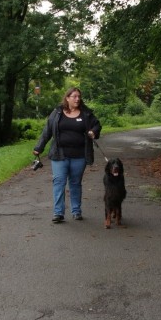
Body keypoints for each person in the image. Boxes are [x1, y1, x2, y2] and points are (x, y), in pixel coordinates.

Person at [33, 87, 102, 223]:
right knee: (59, 182)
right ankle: (58, 213)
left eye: (79, 96)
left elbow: (97, 125)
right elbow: (47, 131)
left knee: (75, 183)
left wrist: (93, 132)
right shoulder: (57, 112)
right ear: (67, 98)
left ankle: (76, 211)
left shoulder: (86, 113)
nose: (77, 99)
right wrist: (39, 147)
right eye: (74, 96)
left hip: (79, 155)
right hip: (59, 154)